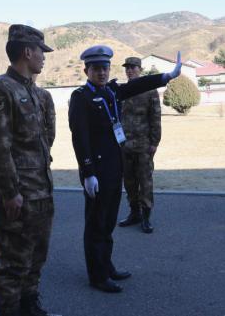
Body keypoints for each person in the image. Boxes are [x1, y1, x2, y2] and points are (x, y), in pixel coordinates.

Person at [68, 46, 181, 293]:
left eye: (105, 68)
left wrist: (166, 77)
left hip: (114, 166)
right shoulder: (81, 97)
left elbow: (137, 86)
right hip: (97, 170)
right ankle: (97, 275)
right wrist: (88, 172)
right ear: (86, 70)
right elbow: (80, 138)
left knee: (108, 222)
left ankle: (106, 266)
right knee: (96, 224)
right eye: (96, 69)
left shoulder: (110, 92)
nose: (102, 72)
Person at [0, 24, 61, 316]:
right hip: (17, 197)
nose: (44, 57)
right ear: (27, 52)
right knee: (13, 264)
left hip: (41, 191)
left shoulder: (40, 96)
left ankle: (29, 307)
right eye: (41, 52)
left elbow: (46, 141)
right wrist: (10, 192)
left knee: (36, 258)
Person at [118, 57, 162, 233]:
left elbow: (155, 118)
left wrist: (154, 142)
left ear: (139, 69)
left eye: (133, 67)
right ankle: (134, 213)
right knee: (128, 182)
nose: (129, 70)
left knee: (145, 182)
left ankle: (146, 216)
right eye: (127, 67)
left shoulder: (150, 91)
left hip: (143, 145)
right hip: (124, 145)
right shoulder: (121, 91)